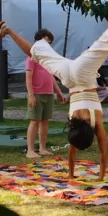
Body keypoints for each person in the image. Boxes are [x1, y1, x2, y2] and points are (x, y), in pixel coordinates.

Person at [0, 0, 108, 180]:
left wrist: (100, 177)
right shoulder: (73, 124)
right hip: (68, 78)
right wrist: (71, 175)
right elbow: (73, 156)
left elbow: (103, 154)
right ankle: (8, 31)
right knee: (37, 54)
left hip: (82, 75)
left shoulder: (94, 124)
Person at [25, 28, 65, 159]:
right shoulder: (32, 57)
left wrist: (58, 92)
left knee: (44, 121)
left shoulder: (47, 59)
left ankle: (42, 148)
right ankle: (30, 150)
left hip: (48, 93)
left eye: (49, 43)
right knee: (34, 121)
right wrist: (31, 94)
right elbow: (28, 76)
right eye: (45, 41)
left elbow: (51, 76)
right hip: (36, 93)